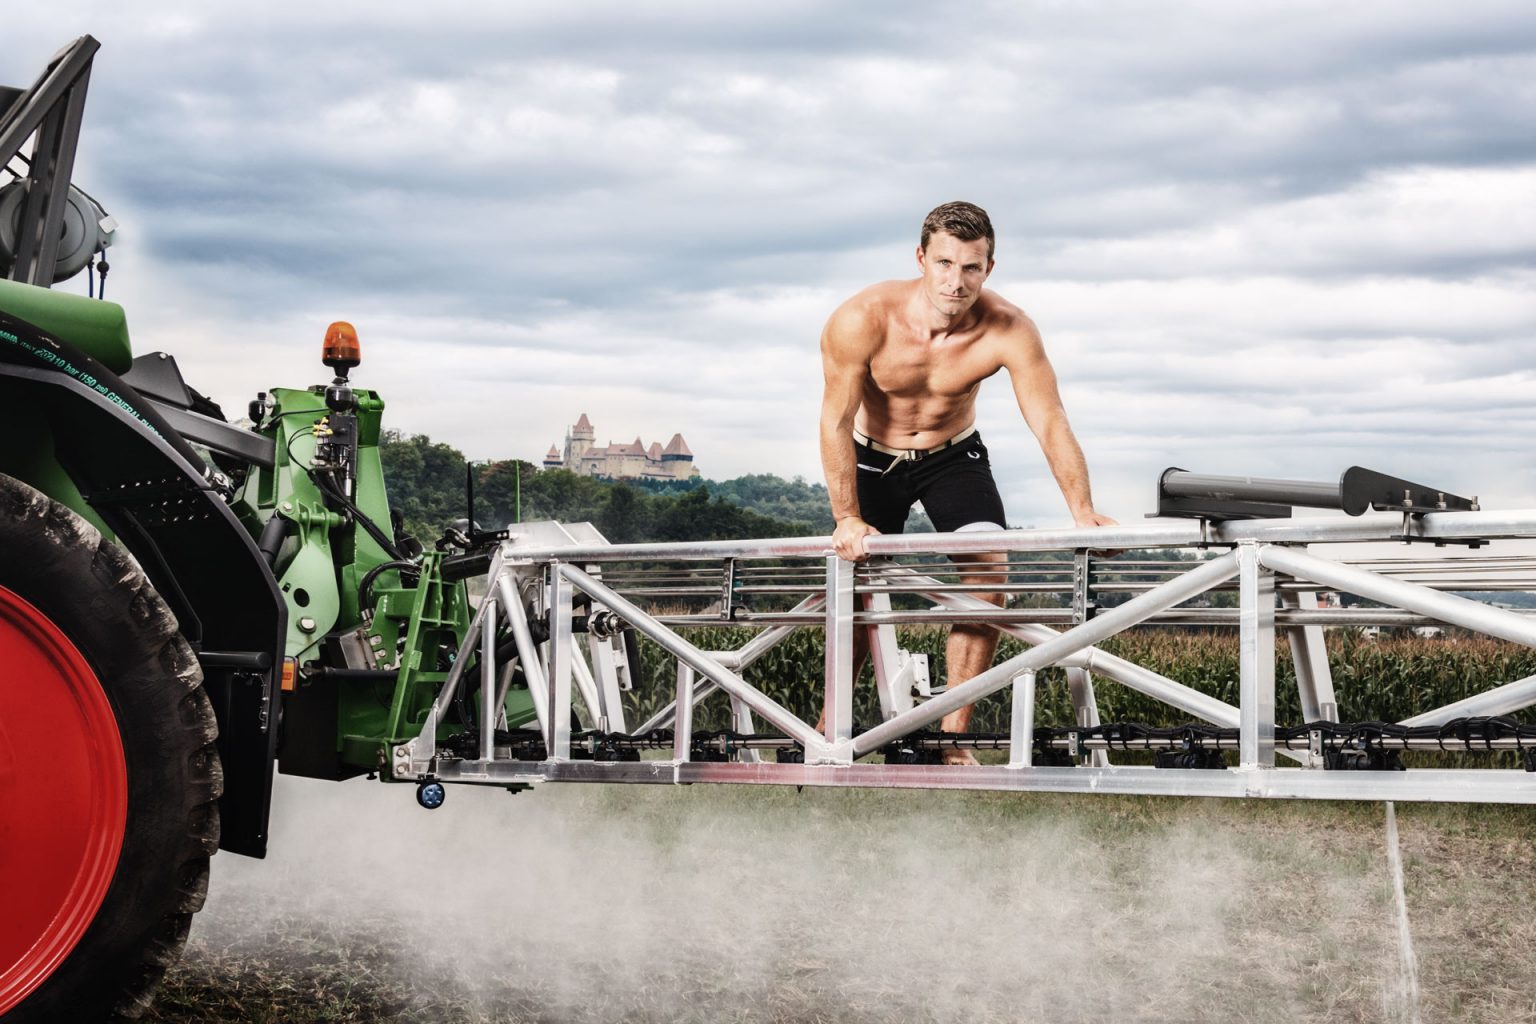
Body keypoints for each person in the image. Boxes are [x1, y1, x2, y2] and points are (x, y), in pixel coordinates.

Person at [818, 200, 1117, 764]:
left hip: (952, 457)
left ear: (989, 268)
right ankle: (827, 729)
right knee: (854, 588)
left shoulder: (1010, 328)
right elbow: (835, 420)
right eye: (945, 264)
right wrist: (846, 517)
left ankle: (951, 739)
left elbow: (1048, 418)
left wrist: (1083, 509)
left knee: (989, 573)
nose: (956, 282)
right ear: (921, 259)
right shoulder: (863, 318)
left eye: (971, 267)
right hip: (872, 457)